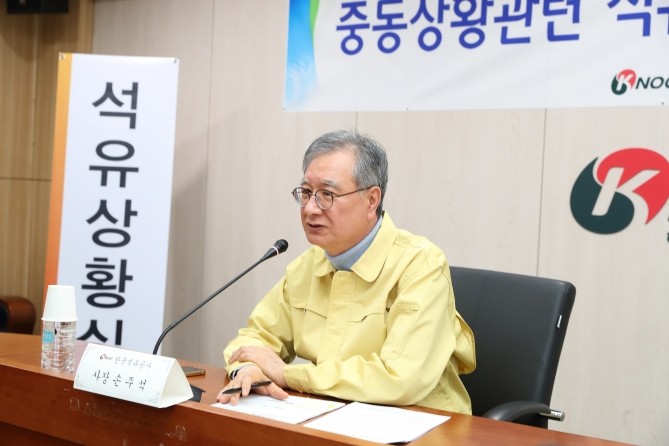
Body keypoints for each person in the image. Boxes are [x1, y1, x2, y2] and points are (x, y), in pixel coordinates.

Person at [217, 129, 476, 413]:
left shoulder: (420, 265)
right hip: (332, 415)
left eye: (327, 195)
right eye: (307, 193)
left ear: (371, 200)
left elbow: (401, 377)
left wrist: (288, 374)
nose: (310, 209)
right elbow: (256, 337)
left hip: (424, 421)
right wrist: (249, 369)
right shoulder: (308, 266)